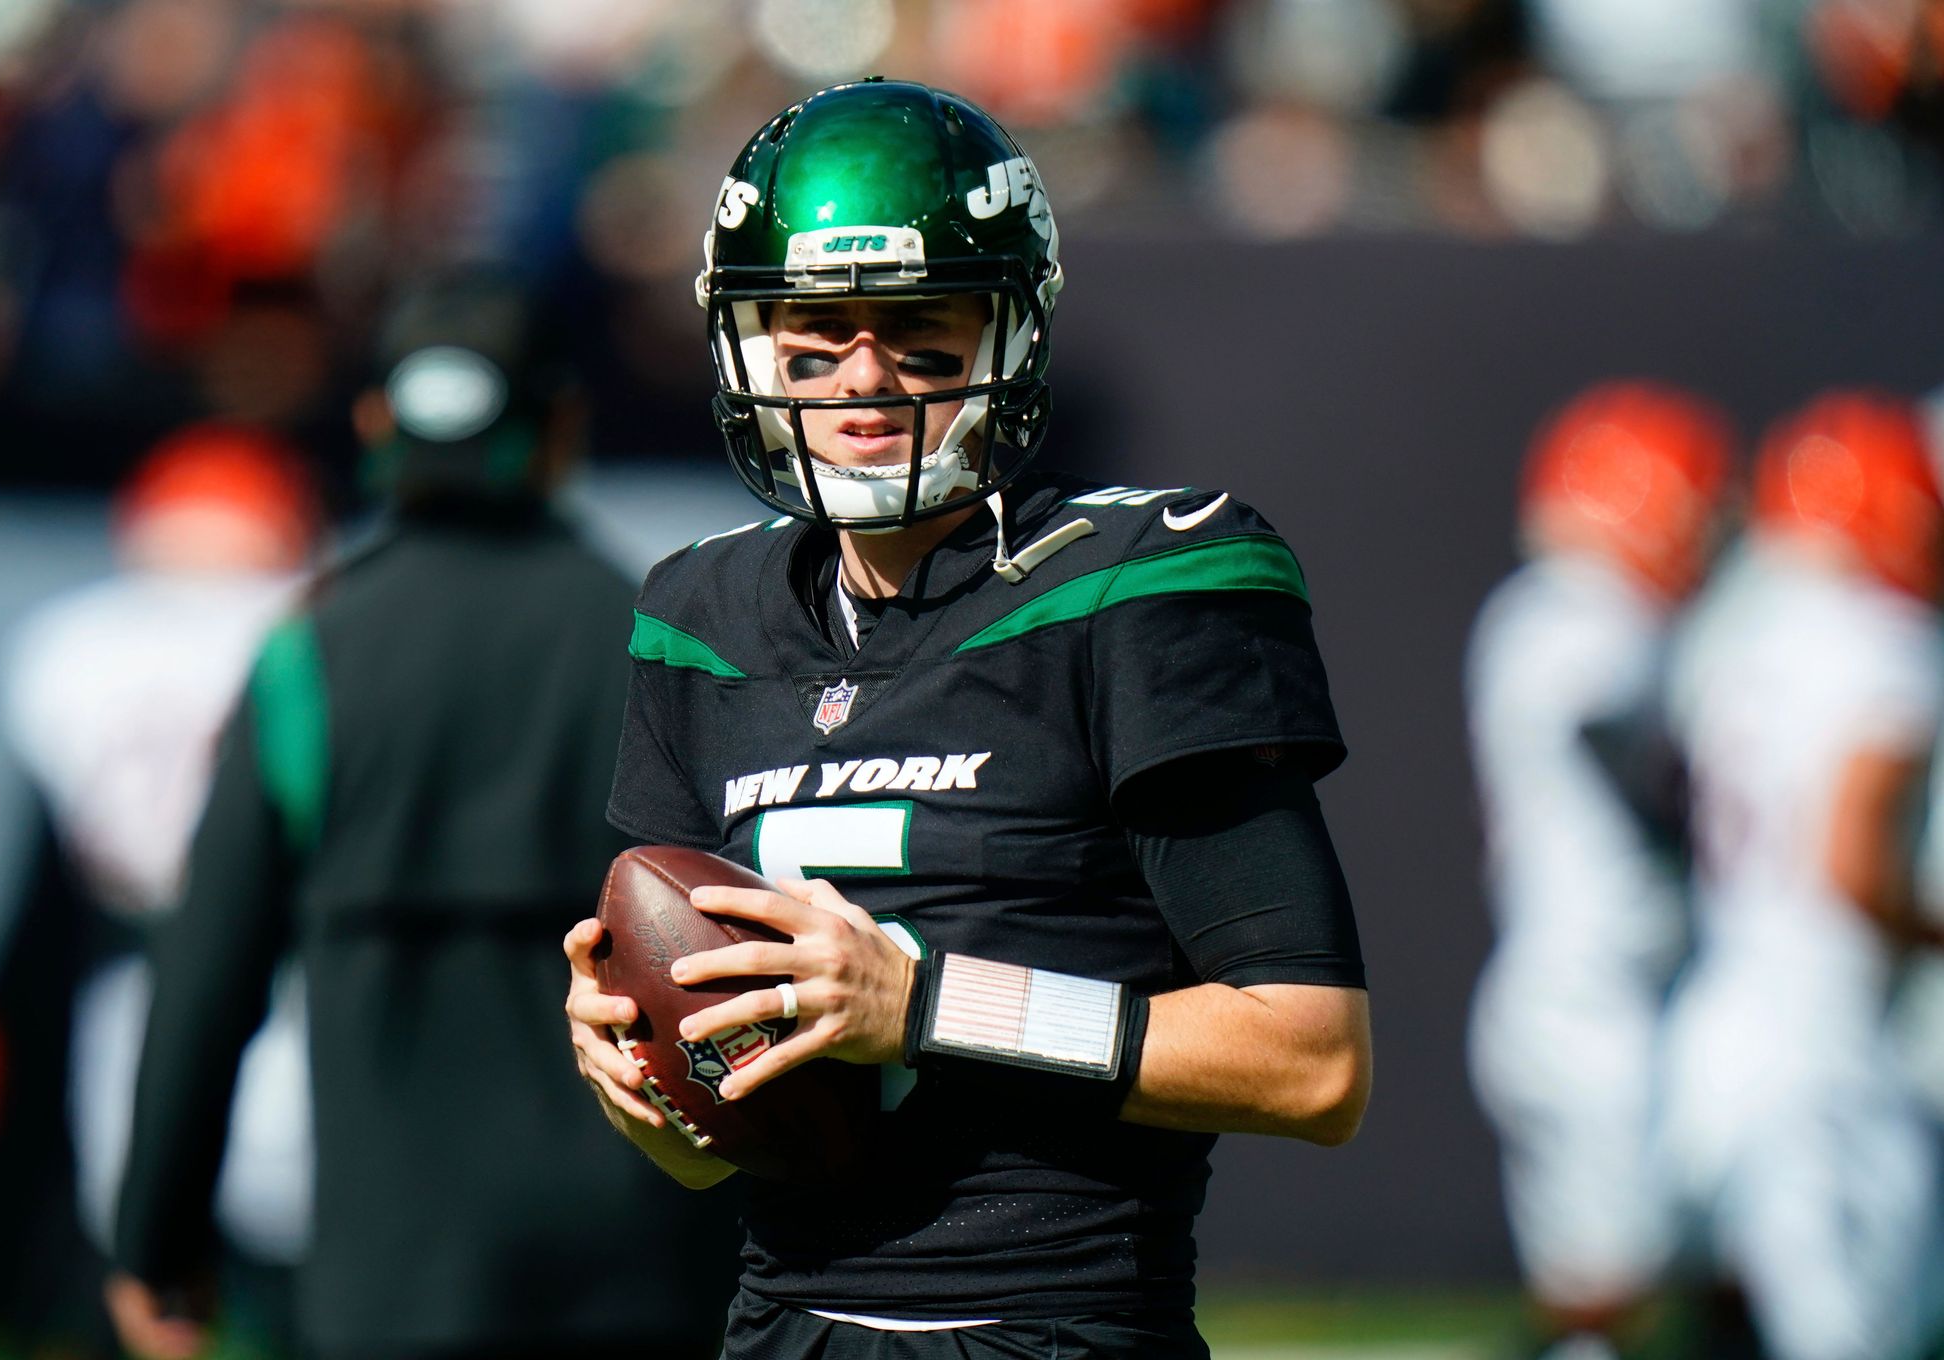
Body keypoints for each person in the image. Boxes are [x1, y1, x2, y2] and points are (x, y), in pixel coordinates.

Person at [563, 78, 1372, 1359]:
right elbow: (701, 1163)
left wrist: (928, 1001)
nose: (863, 380)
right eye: (812, 336)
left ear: (1012, 333)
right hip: (783, 1327)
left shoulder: (1134, 585)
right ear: (745, 346)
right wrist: (644, 1079)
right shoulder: (699, 612)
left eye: (921, 331)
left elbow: (1314, 1063)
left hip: (1054, 1326)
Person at [108, 270, 739, 1360]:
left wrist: (156, 1243)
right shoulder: (654, 641)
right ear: (564, 425)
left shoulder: (309, 656)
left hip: (389, 1281)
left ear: (373, 426)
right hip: (644, 1268)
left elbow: (205, 971)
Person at [1, 424, 323, 1353]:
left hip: (142, 964)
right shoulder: (312, 621)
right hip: (296, 962)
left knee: (141, 1251)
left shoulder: (68, 641)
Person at [1661, 390, 1944, 1360]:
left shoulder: (1740, 635)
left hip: (1724, 1019)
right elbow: (1851, 861)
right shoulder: (1884, 646)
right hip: (1826, 1043)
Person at [1462, 382, 1733, 1360]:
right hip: (1593, 999)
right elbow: (1615, 735)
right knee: (1618, 1292)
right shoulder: (1575, 609)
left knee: (1663, 1282)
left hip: (1602, 988)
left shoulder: (1557, 612)